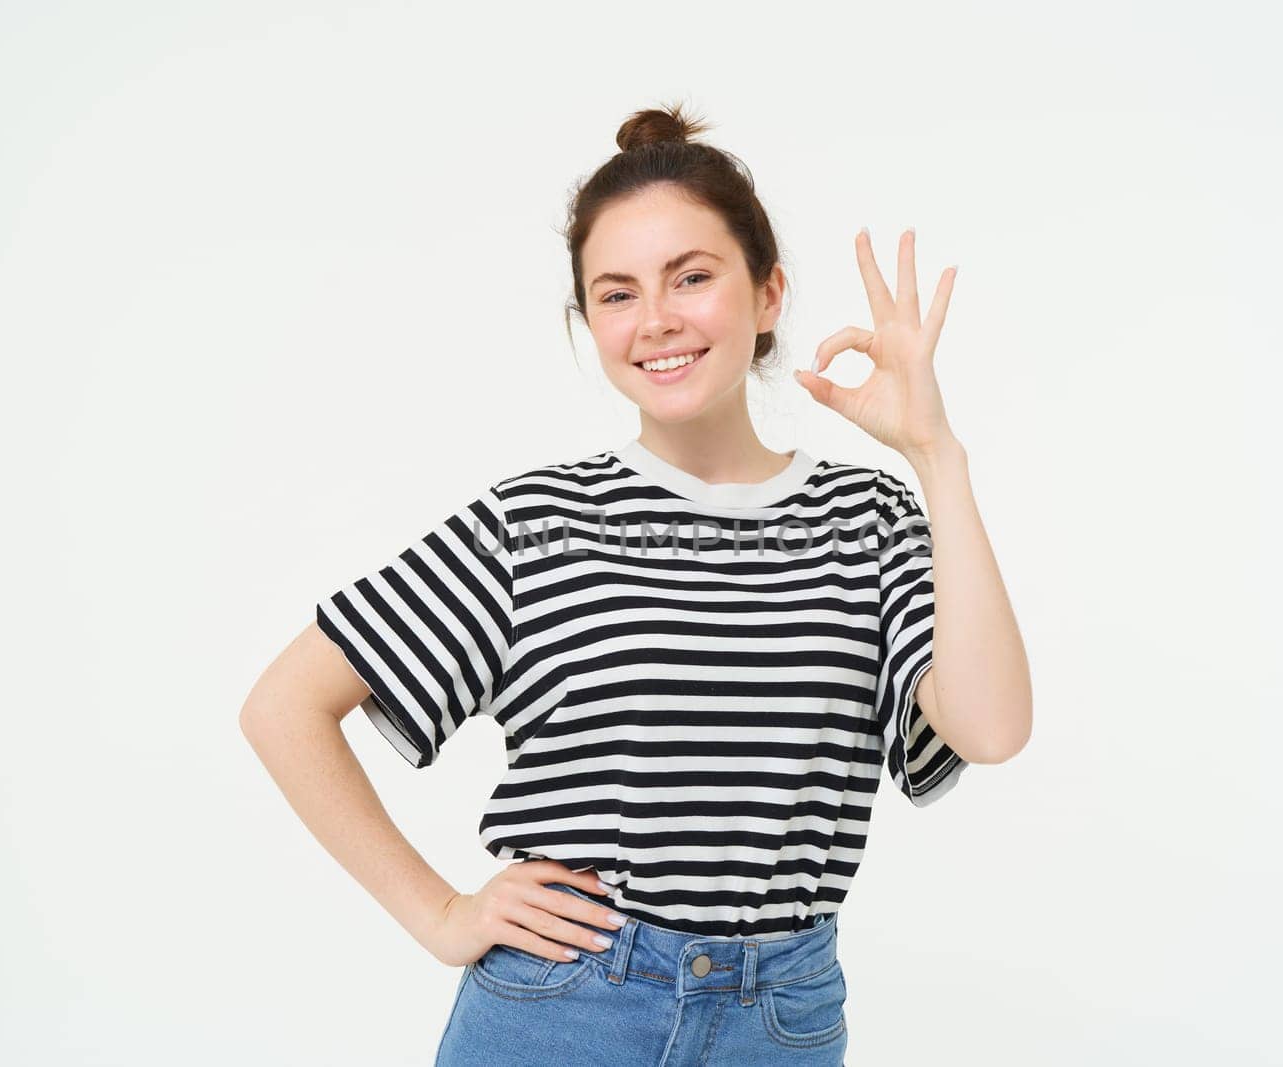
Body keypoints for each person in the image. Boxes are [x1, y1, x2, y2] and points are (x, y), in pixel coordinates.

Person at [240, 101, 1032, 1066]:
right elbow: (285, 705)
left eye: (691, 277)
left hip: (779, 1019)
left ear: (768, 292)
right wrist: (441, 912)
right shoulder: (538, 523)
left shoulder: (869, 519)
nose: (656, 319)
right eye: (616, 294)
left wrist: (934, 454)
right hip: (563, 1007)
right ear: (589, 322)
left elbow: (989, 728)